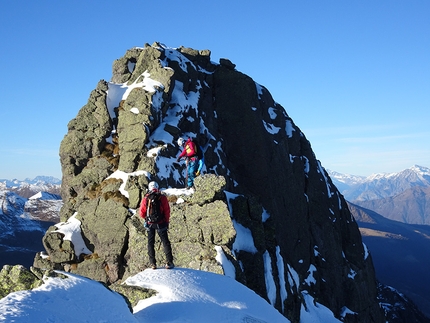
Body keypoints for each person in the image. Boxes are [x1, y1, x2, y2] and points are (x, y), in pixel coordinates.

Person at [139, 181, 174, 269]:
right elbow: (167, 211)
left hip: (150, 223)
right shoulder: (162, 197)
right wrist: (166, 221)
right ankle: (169, 262)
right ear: (157, 187)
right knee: (165, 242)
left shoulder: (146, 198)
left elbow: (142, 213)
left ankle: (152, 263)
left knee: (150, 243)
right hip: (161, 223)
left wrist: (147, 219)